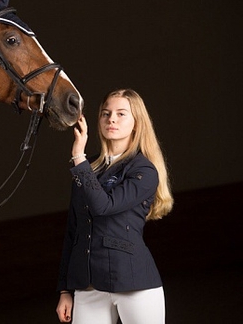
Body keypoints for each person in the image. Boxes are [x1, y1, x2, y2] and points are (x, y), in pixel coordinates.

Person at [55, 88, 174, 324]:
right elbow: (73, 231)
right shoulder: (88, 169)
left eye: (121, 114)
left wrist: (79, 157)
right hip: (88, 287)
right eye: (106, 113)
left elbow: (103, 207)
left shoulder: (144, 171)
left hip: (134, 283)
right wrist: (65, 290)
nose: (111, 119)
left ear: (136, 124)